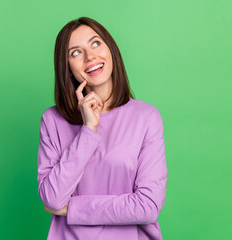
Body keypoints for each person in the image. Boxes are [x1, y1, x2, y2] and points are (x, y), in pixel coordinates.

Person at [37, 16, 167, 240]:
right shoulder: (53, 120)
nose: (90, 57)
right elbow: (52, 199)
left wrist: (73, 209)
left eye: (95, 43)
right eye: (75, 52)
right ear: (67, 68)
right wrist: (88, 130)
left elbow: (148, 206)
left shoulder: (146, 117)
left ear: (111, 50)